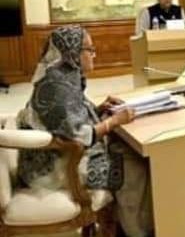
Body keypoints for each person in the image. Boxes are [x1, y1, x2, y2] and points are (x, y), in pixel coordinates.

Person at [16, 25, 153, 237]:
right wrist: (113, 121)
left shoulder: (62, 77)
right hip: (53, 167)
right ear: (72, 52)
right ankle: (136, 232)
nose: (93, 55)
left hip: (60, 154)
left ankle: (123, 226)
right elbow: (78, 136)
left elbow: (68, 122)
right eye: (89, 50)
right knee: (133, 166)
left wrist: (98, 109)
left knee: (124, 151)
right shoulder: (55, 87)